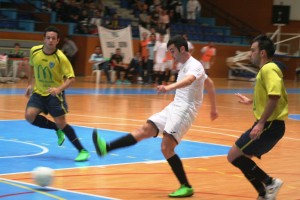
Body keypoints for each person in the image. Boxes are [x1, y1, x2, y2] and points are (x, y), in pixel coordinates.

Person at [92, 35, 218, 197]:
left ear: (181, 49)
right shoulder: (187, 65)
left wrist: (169, 87)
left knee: (166, 148)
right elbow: (210, 84)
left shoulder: (194, 65)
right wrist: (213, 109)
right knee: (145, 129)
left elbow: (189, 80)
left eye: (172, 51)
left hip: (185, 110)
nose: (171, 55)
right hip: (174, 107)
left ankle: (186, 186)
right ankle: (106, 147)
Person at [227, 34, 288, 200]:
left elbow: (274, 96)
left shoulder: (268, 69)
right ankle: (264, 195)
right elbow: (270, 95)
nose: (249, 54)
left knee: (233, 156)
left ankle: (270, 183)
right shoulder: (267, 70)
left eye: (252, 50)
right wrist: (252, 101)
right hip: (270, 125)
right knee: (243, 160)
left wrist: (260, 124)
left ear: (262, 53)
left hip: (269, 125)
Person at [24, 26, 90, 162]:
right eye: (48, 38)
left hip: (55, 95)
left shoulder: (61, 58)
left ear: (58, 40)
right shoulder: (34, 51)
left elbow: (71, 78)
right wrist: (30, 84)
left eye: (53, 38)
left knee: (62, 123)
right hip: (38, 92)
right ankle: (56, 129)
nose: (50, 41)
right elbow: (31, 65)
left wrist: (59, 89)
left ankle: (82, 150)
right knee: (30, 116)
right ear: (44, 39)